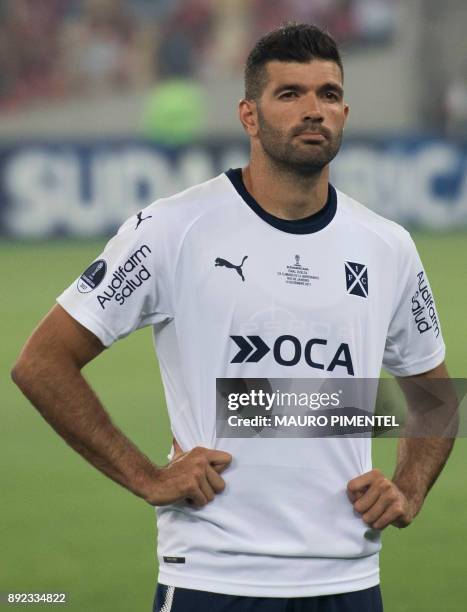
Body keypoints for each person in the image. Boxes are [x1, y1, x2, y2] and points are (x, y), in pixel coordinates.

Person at [12, 23, 454, 612]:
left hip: (348, 580)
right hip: (214, 578)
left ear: (345, 111)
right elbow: (41, 362)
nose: (313, 110)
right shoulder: (173, 229)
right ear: (249, 115)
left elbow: (435, 394)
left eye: (327, 94)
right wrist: (147, 477)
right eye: (290, 93)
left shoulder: (387, 245)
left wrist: (409, 489)